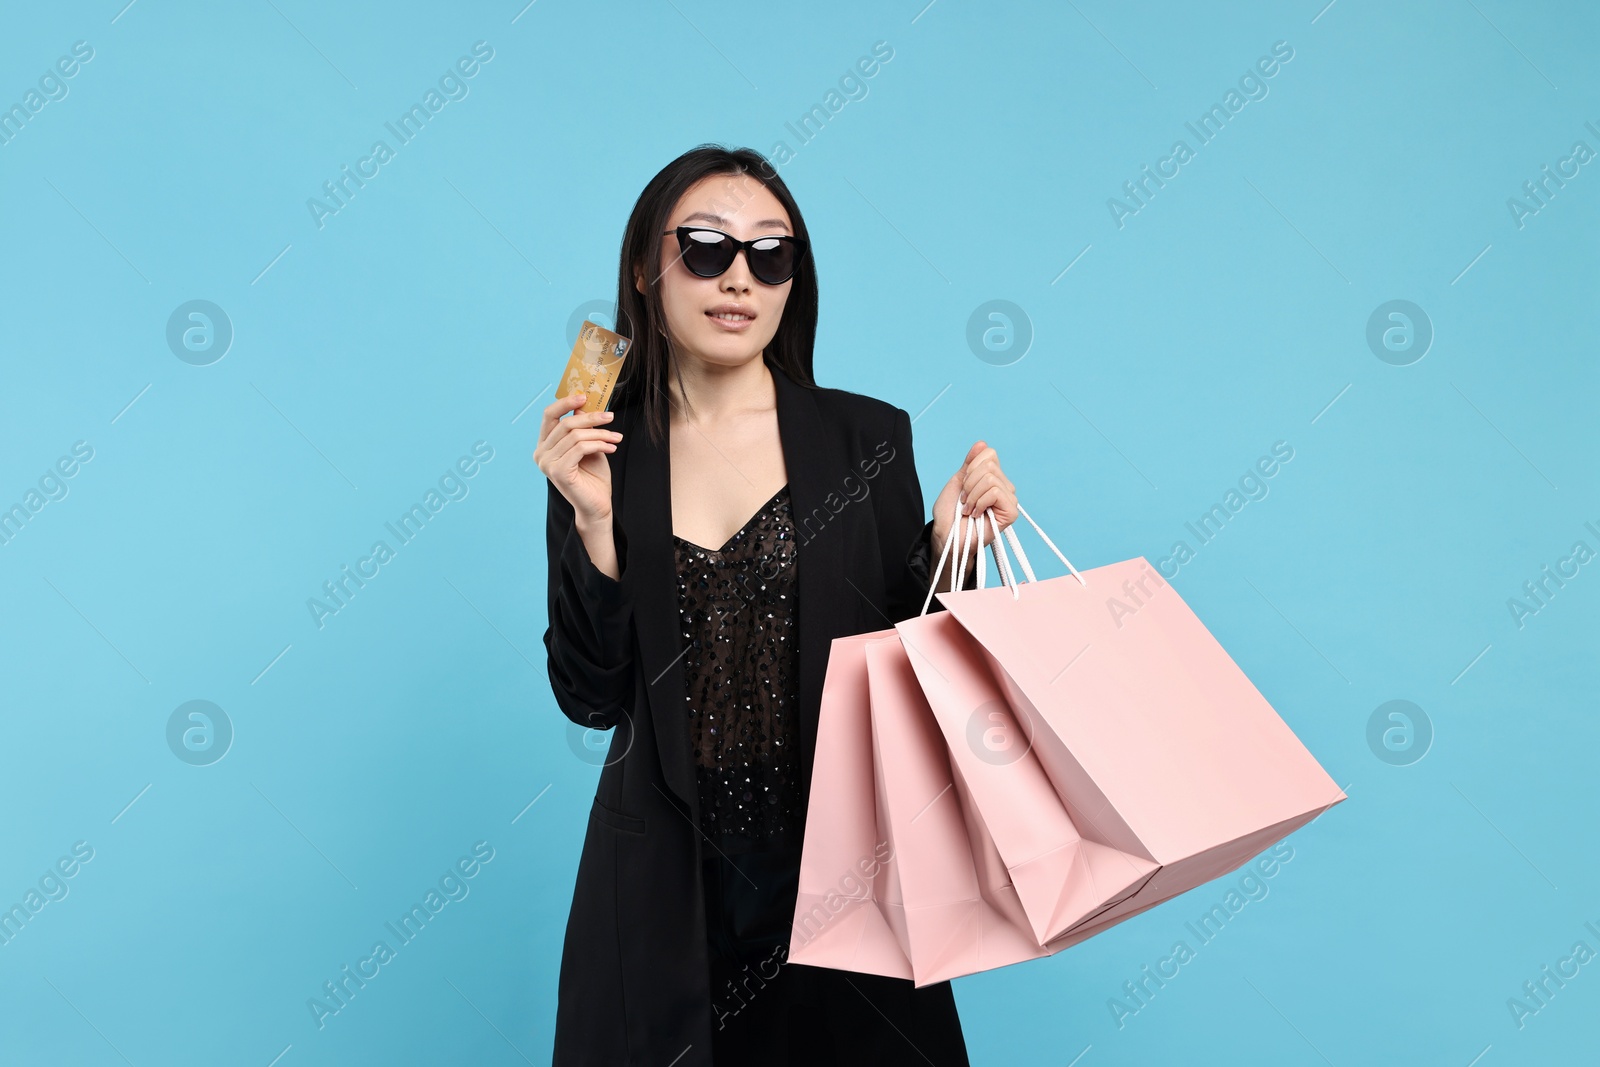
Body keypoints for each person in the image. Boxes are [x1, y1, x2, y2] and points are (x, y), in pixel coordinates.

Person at [535, 144, 1019, 1066]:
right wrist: (593, 524)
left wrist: (945, 543)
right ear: (647, 266)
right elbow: (590, 694)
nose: (739, 279)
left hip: (843, 873)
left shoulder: (864, 437)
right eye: (707, 248)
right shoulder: (599, 447)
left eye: (771, 254)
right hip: (659, 889)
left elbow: (903, 667)